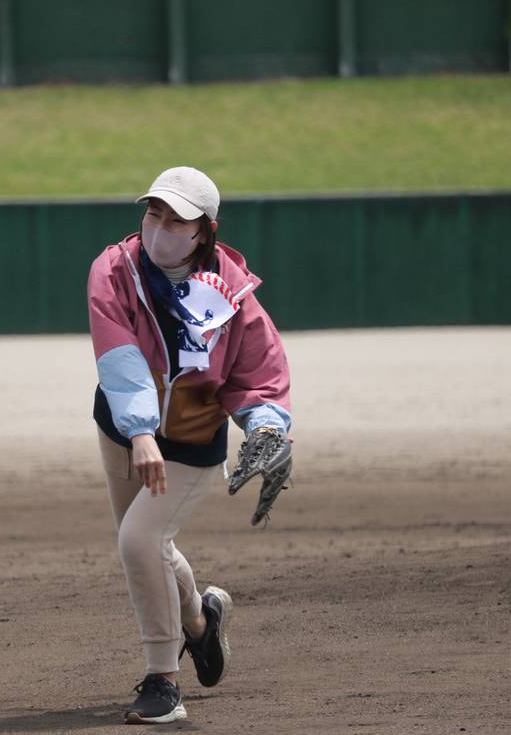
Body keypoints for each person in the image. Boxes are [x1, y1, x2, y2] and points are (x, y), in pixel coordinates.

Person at [87, 166, 293, 724]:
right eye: (153, 212)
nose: (160, 226)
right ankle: (201, 623)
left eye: (176, 219)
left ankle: (163, 682)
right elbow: (120, 355)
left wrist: (267, 428)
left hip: (193, 438)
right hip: (123, 430)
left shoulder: (234, 293)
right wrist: (139, 432)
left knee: (139, 540)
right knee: (149, 544)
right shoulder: (114, 269)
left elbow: (259, 375)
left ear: (205, 230)